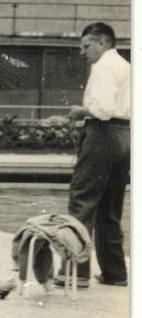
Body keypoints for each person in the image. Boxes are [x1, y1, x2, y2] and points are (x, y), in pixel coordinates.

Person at [53, 22, 130, 288]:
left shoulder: (102, 67)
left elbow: (103, 109)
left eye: (86, 46)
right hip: (124, 136)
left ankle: (76, 270)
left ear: (102, 43)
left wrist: (79, 111)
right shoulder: (125, 66)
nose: (83, 53)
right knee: (110, 208)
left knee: (82, 201)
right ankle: (115, 272)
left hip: (102, 134)